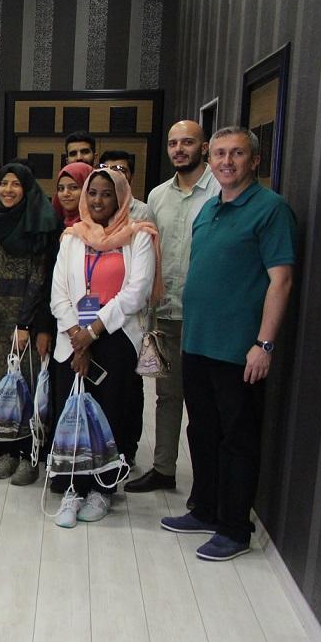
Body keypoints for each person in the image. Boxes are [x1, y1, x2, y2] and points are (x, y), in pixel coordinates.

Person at [159, 127, 295, 561]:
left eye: (236, 153)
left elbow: (281, 280)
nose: (226, 161)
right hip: (198, 342)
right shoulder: (210, 209)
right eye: (219, 154)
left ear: (254, 160)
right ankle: (205, 508)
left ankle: (235, 528)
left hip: (239, 350)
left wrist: (264, 344)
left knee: (238, 438)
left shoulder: (270, 209)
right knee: (201, 431)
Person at [49, 168, 157, 527]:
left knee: (110, 415)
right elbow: (59, 293)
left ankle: (102, 489)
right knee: (73, 415)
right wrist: (77, 335)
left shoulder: (138, 237)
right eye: (92, 193)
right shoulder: (71, 237)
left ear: (121, 198)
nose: (97, 200)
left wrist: (93, 331)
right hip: (71, 339)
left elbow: (136, 292)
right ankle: (72, 488)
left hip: (115, 339)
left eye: (106, 194)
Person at [128, 121, 220, 494]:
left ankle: (207, 483)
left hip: (206, 317)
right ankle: (164, 469)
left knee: (204, 402)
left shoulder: (219, 190)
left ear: (204, 147)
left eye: (188, 142)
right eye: (173, 143)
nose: (179, 149)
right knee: (167, 397)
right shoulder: (157, 196)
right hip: (165, 313)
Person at [0, 162, 60, 485]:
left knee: (30, 387)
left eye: (15, 184)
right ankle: (9, 450)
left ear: (27, 188)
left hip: (28, 319)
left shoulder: (42, 222)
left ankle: (32, 455)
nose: (8, 190)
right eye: (4, 183)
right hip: (0, 319)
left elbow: (41, 280)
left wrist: (27, 324)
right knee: (4, 385)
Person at [98, 149, 150, 220]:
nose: (112, 175)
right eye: (106, 171)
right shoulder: (92, 208)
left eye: (119, 171)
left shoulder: (144, 213)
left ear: (131, 177)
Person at [53, 161, 93, 228]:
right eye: (61, 188)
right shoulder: (52, 225)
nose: (65, 194)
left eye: (73, 187)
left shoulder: (100, 227)